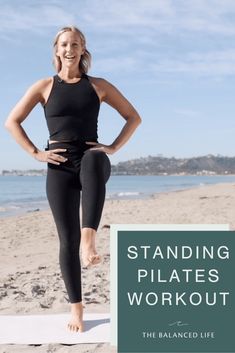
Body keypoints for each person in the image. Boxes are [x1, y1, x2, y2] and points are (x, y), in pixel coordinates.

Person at [5, 26, 141, 333]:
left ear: (83, 50)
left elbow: (133, 116)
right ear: (56, 49)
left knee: (94, 157)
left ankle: (89, 240)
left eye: (75, 44)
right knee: (66, 241)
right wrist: (35, 153)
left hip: (91, 160)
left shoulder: (98, 86)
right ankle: (77, 309)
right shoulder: (43, 86)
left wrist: (114, 147)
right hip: (59, 165)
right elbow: (11, 121)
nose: (69, 49)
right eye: (64, 44)